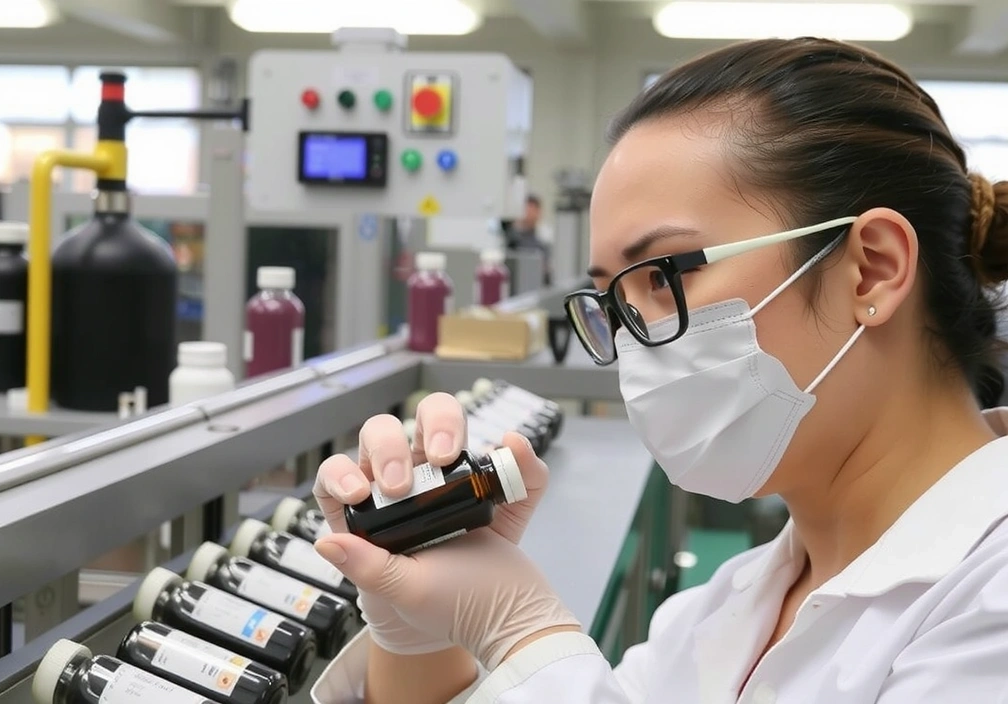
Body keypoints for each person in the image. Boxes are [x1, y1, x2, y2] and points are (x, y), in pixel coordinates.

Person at [310, 36, 1008, 703]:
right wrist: (421, 637)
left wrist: (523, 632)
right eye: (612, 301)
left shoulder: (988, 595)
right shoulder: (716, 615)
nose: (637, 346)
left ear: (873, 270)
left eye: (661, 276)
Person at [506, 194, 554, 285]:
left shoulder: (543, 240)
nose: (529, 214)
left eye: (533, 210)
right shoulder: (511, 237)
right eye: (527, 209)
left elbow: (547, 269)